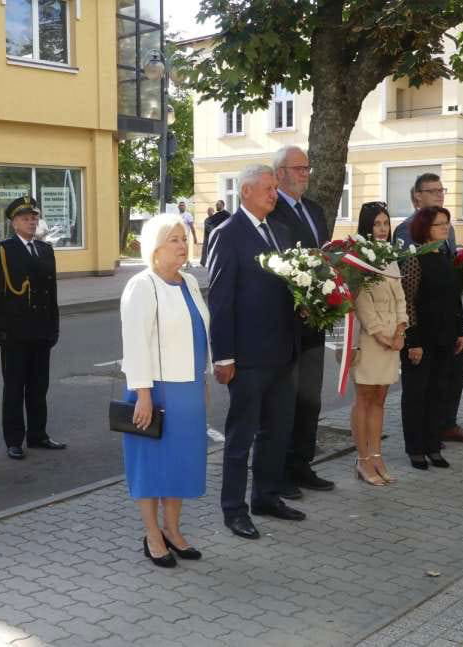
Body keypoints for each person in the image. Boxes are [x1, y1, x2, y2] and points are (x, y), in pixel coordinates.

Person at [208, 164, 303, 541]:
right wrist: (224, 356)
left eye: (275, 189)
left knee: (276, 431)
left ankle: (266, 496)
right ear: (245, 191)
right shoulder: (227, 234)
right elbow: (220, 297)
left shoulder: (279, 231)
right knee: (241, 436)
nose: (273, 194)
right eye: (267, 188)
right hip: (247, 357)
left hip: (283, 351)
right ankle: (234, 510)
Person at [119, 214, 210, 568]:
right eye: (173, 239)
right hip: (155, 390)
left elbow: (198, 334)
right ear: (155, 247)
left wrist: (200, 379)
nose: (181, 245)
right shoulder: (142, 286)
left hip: (187, 388)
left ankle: (173, 530)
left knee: (181, 464)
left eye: (183, 238)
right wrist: (142, 393)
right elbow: (135, 344)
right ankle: (152, 534)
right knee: (151, 465)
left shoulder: (189, 282)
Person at [393, 172, 463, 444]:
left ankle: (444, 423)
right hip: (422, 320)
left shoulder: (448, 228)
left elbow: (449, 264)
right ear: (417, 195)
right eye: (432, 190)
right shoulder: (407, 229)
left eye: (442, 190)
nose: (439, 194)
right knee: (422, 383)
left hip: (446, 319)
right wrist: (413, 336)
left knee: (457, 367)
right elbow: (409, 286)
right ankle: (424, 435)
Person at [267, 145, 334, 498]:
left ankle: (302, 463)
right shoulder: (270, 209)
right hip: (287, 321)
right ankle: (280, 471)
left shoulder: (314, 209)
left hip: (316, 319)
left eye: (307, 167)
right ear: (279, 174)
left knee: (310, 396)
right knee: (286, 400)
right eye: (298, 168)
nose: (306, 173)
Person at [0, 196, 65, 459]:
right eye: (25, 218)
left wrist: (54, 327)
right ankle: (14, 440)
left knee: (39, 386)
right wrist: (0, 331)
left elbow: (50, 292)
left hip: (41, 331)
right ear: (13, 222)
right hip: (15, 333)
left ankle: (38, 435)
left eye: (34, 217)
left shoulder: (45, 249)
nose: (31, 222)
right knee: (15, 388)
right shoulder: (3, 250)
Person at [400, 207, 463, 470]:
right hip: (421, 339)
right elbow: (408, 302)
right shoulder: (416, 258)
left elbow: (454, 299)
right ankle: (416, 448)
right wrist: (412, 340)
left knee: (439, 393)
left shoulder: (444, 255)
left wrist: (460, 331)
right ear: (425, 228)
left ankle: (433, 445)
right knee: (417, 394)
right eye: (439, 224)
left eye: (447, 224)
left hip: (445, 337)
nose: (445, 228)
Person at [350, 203, 407, 485]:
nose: (382, 229)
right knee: (364, 399)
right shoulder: (360, 259)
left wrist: (400, 330)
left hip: (392, 341)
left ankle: (376, 456)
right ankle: (362, 460)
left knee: (380, 400)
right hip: (370, 341)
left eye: (385, 223)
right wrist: (382, 336)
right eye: (377, 224)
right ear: (366, 227)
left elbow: (400, 296)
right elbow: (362, 302)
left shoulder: (390, 257)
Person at [200, 200, 231, 268]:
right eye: (216, 204)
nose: (216, 206)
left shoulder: (227, 214)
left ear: (222, 205)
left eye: (218, 204)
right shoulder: (215, 216)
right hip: (214, 236)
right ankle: (205, 263)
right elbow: (209, 222)